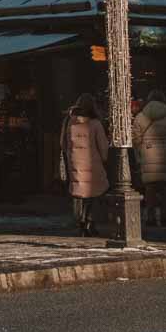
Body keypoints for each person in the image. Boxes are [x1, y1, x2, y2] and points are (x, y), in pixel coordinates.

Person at [132, 88, 166, 228]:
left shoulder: (141, 117)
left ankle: (150, 217)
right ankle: (165, 217)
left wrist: (140, 151)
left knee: (150, 189)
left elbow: (135, 138)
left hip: (148, 155)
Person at [61, 94, 109, 237]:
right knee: (94, 194)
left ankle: (82, 221)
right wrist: (105, 158)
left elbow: (63, 143)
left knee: (81, 193)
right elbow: (103, 146)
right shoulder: (95, 123)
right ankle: (89, 222)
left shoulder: (69, 122)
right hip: (92, 163)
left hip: (75, 162)